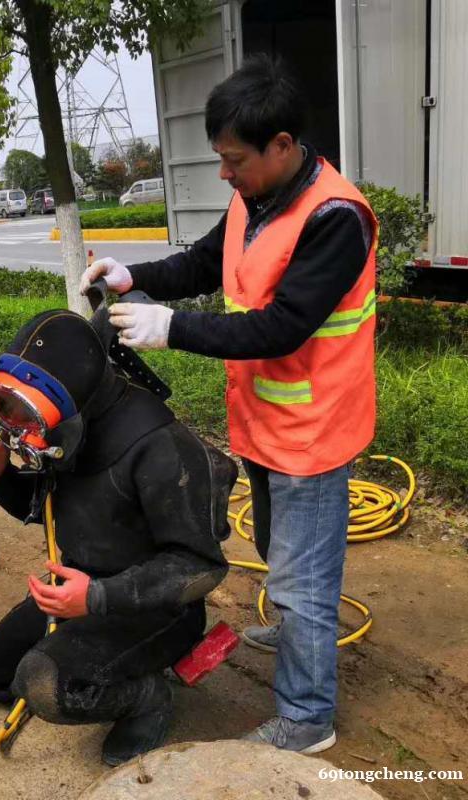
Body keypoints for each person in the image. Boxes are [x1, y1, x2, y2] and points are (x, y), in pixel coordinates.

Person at [81, 55, 377, 755]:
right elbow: (203, 263)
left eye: (233, 160)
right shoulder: (257, 194)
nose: (225, 174)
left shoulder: (335, 217)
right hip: (266, 420)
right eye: (220, 160)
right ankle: (298, 626)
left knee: (304, 577)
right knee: (279, 550)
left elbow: (281, 327)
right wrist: (136, 277)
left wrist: (172, 328)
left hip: (313, 427)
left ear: (282, 146)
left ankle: (307, 716)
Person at [0, 309, 238, 765]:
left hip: (156, 610)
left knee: (46, 685)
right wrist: (0, 477)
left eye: (26, 416)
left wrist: (97, 597)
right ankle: (85, 654)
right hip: (78, 589)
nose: (23, 430)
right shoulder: (70, 426)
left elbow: (199, 566)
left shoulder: (163, 450)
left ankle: (147, 698)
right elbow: (52, 516)